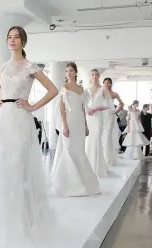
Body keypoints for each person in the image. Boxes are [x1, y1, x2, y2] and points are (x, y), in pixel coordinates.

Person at [0, 25, 58, 245]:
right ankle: (7, 217)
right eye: (9, 37)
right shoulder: (2, 66)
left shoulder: (30, 67)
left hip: (20, 118)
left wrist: (33, 106)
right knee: (4, 165)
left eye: (16, 37)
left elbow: (53, 90)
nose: (12, 40)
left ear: (23, 42)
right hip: (3, 119)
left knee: (20, 165)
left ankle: (26, 219)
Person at [51, 63, 100, 197]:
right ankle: (67, 185)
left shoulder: (81, 89)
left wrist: (85, 125)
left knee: (79, 151)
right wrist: (64, 125)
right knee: (68, 150)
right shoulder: (64, 88)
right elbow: (62, 109)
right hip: (69, 122)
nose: (68, 73)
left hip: (79, 122)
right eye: (66, 71)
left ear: (75, 72)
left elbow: (83, 109)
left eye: (71, 71)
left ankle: (84, 183)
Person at [85, 69, 109, 178]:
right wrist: (88, 110)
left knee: (97, 138)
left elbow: (108, 105)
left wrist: (96, 109)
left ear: (99, 76)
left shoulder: (103, 89)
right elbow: (84, 103)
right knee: (89, 139)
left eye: (96, 74)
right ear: (90, 76)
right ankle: (89, 166)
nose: (94, 76)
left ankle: (98, 167)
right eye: (92, 74)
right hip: (89, 116)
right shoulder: (87, 89)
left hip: (98, 116)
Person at [103, 78, 124, 166]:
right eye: (105, 83)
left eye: (108, 83)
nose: (107, 84)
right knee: (102, 134)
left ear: (111, 84)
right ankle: (102, 155)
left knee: (108, 134)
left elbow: (122, 104)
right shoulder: (101, 93)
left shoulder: (114, 94)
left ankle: (108, 156)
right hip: (103, 115)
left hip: (110, 115)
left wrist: (115, 112)